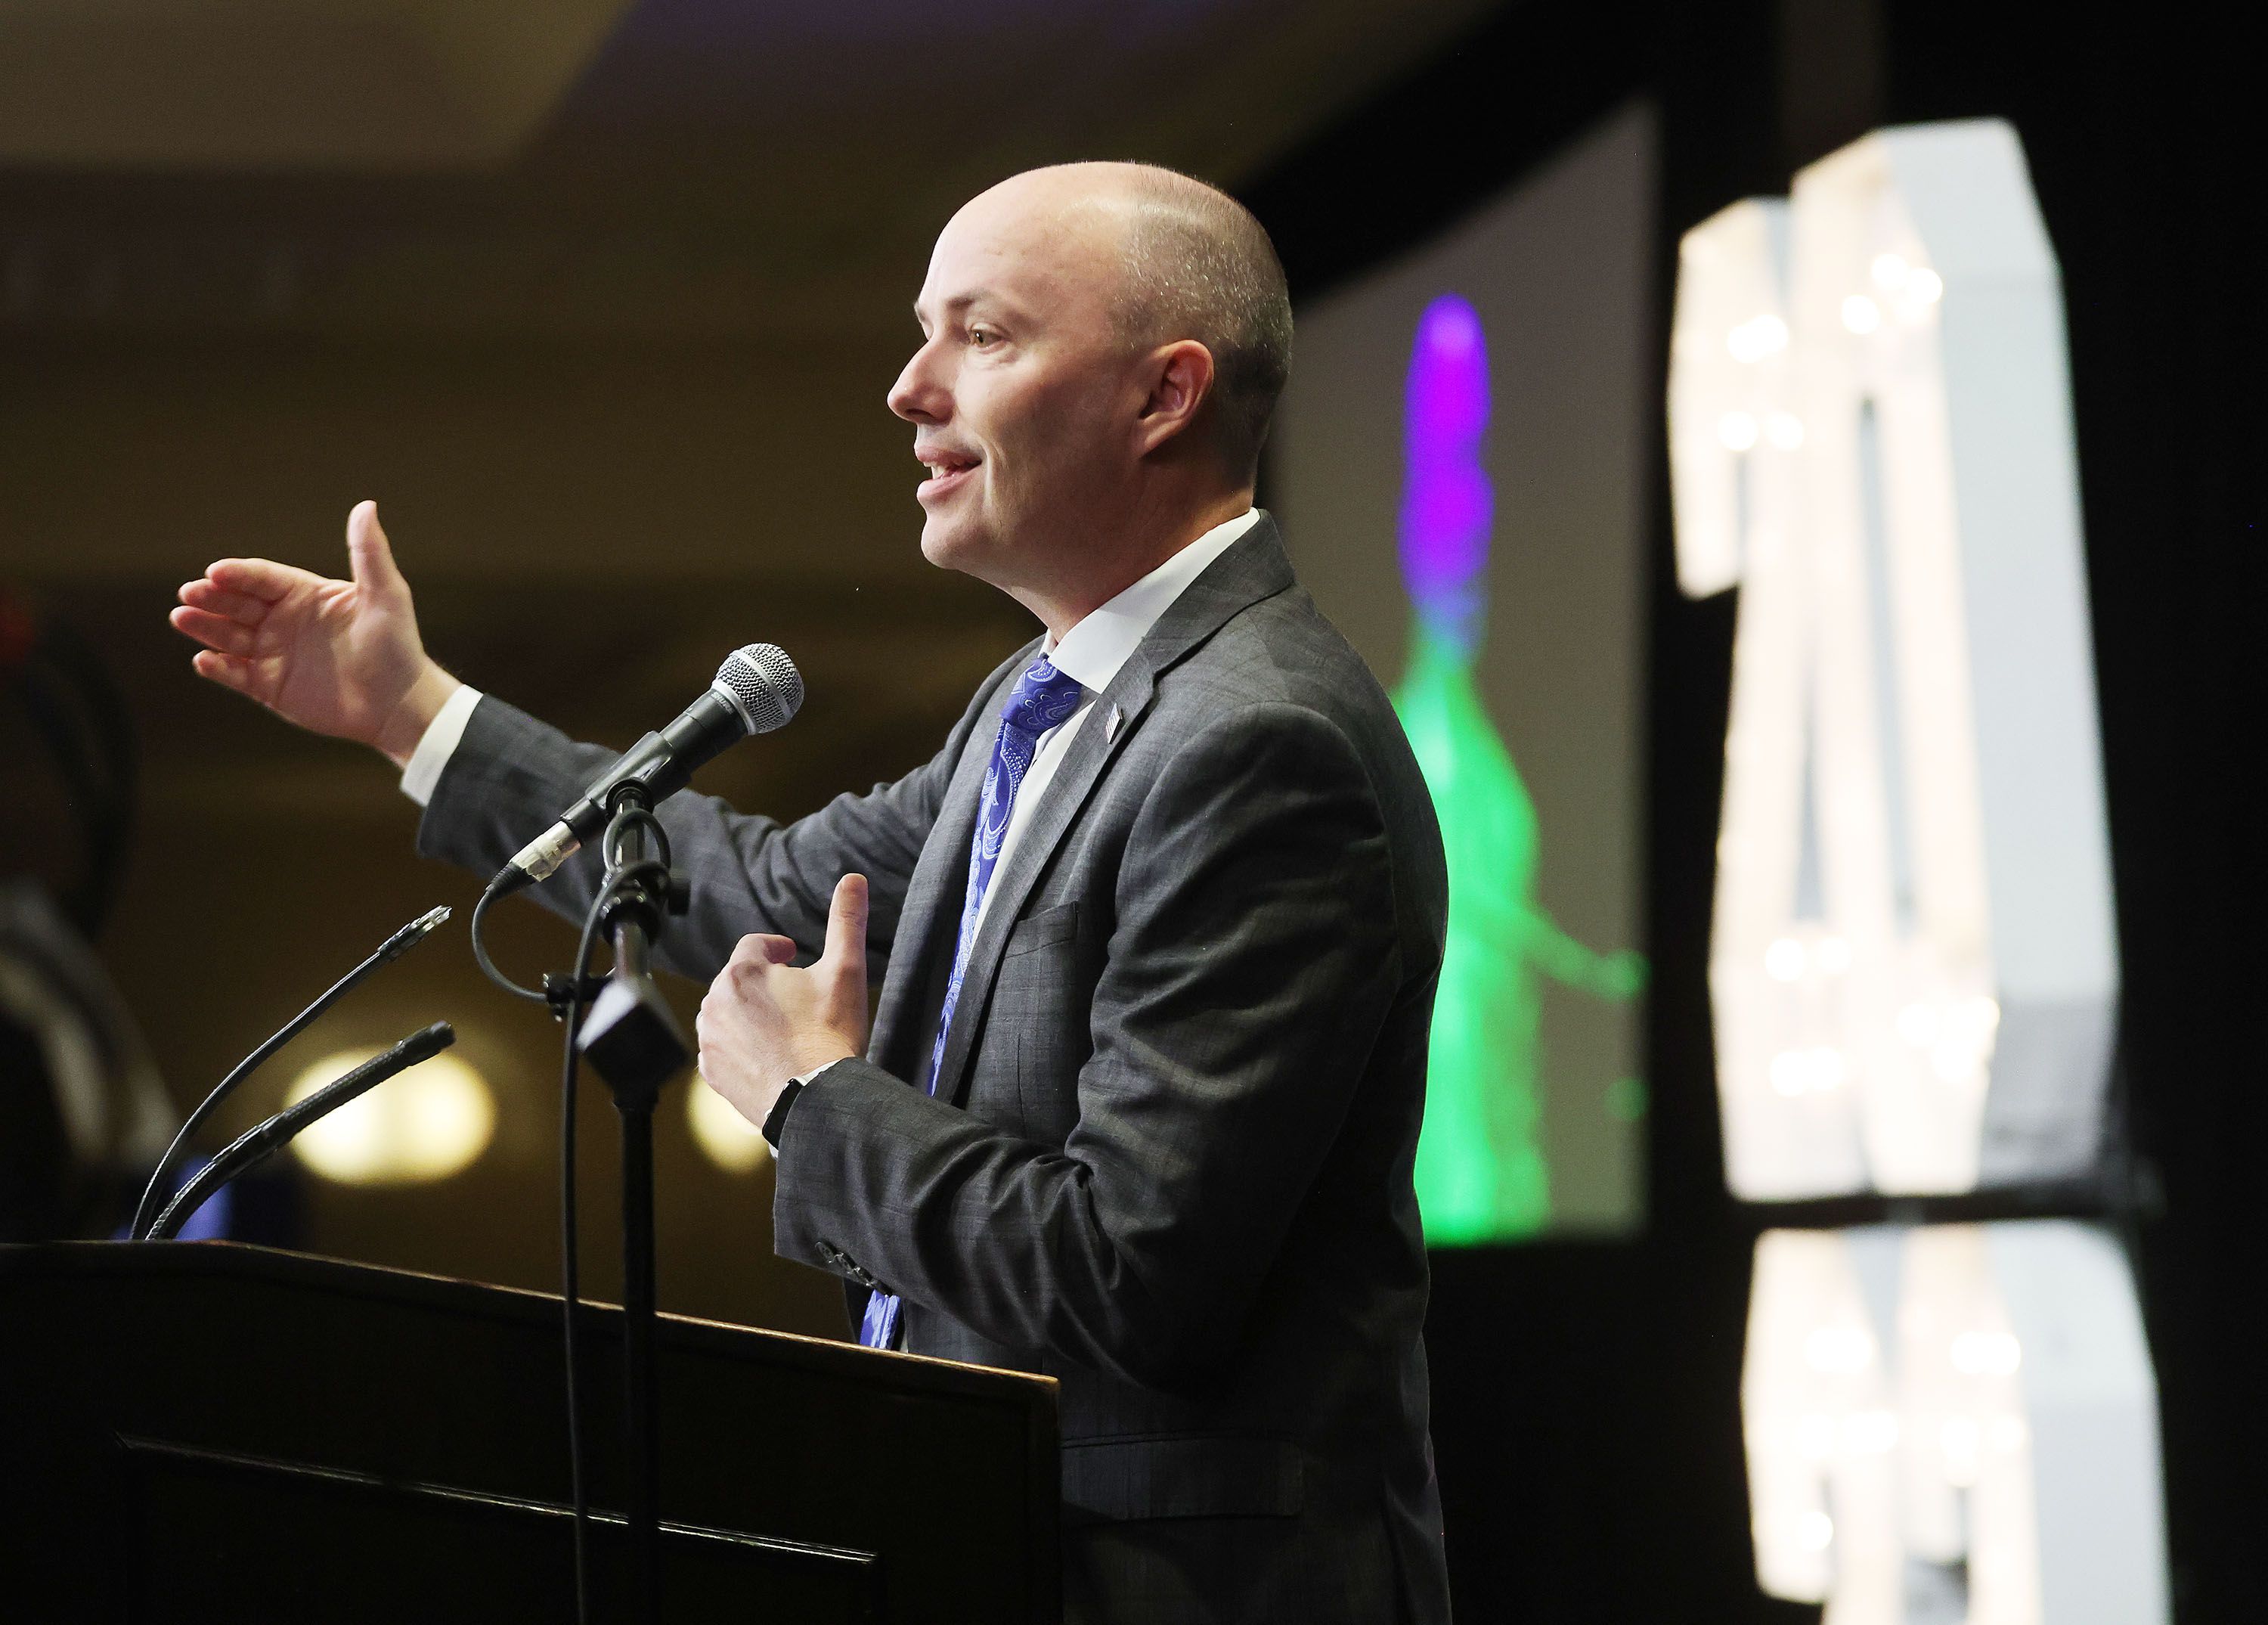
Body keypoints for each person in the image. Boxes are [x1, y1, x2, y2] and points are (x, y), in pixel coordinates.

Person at [170, 162, 1452, 1623]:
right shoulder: (1043, 704)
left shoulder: (1258, 743)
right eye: (924, 331)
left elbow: (1130, 1273)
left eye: (982, 335)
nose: (909, 388)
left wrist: (810, 1099)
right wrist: (415, 712)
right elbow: (764, 883)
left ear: (1163, 397)